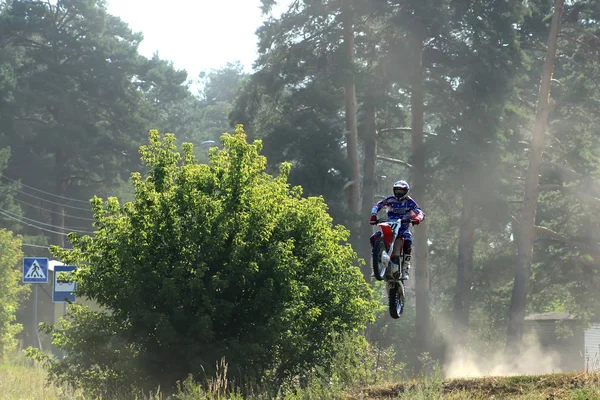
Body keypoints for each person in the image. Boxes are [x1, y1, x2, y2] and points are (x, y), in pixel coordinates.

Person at [369, 180, 425, 280]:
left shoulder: (409, 201)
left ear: (406, 191)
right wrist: (373, 215)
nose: (399, 193)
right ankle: (376, 264)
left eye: (401, 191)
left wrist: (417, 218)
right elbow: (377, 205)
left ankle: (405, 268)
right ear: (394, 190)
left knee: (408, 239)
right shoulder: (390, 199)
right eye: (397, 190)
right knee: (374, 237)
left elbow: (420, 212)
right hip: (390, 225)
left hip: (403, 227)